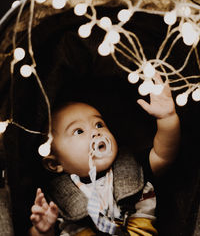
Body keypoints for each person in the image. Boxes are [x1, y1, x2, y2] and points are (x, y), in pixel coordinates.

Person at [28, 73, 180, 236]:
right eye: (79, 131)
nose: (95, 132)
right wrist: (41, 230)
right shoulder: (55, 200)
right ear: (55, 164)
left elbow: (163, 155)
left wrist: (167, 118)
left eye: (99, 124)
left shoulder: (131, 166)